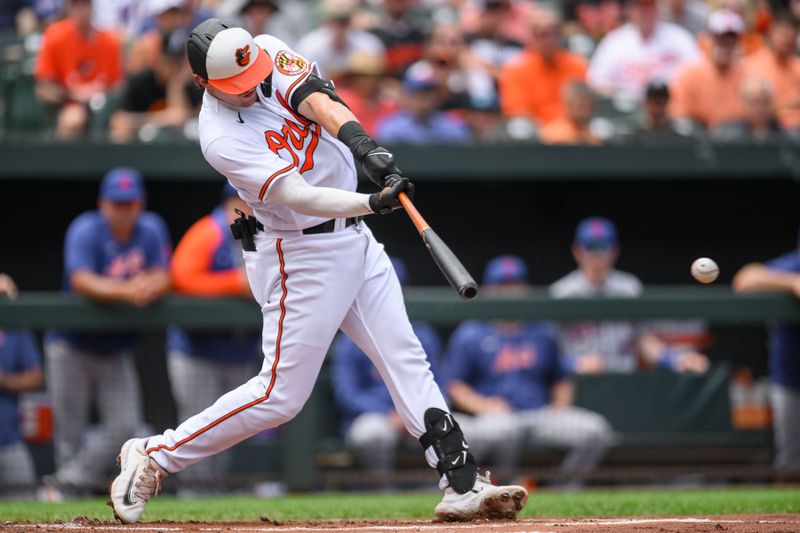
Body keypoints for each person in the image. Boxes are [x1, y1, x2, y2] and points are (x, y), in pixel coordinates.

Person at [108, 18, 527, 524]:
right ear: (203, 84)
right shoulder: (218, 136)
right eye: (236, 87)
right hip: (297, 253)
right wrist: (373, 200)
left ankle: (462, 482)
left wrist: (366, 147)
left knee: (405, 357)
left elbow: (319, 101)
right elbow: (299, 196)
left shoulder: (263, 51)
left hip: (354, 240)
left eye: (253, 77)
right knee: (279, 396)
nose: (250, 88)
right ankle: (153, 455)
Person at [42, 167, 171, 499]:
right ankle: (64, 503)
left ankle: (63, 485)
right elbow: (81, 280)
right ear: (103, 204)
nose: (123, 209)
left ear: (139, 204)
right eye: (116, 203)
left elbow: (163, 273)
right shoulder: (86, 228)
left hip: (116, 348)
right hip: (72, 344)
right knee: (70, 433)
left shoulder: (151, 229)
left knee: (126, 427)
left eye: (128, 203)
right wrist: (129, 290)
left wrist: (151, 286)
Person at [445, 255, 614, 486]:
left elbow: (560, 377)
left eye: (515, 284)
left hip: (539, 414)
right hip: (496, 416)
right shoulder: (471, 332)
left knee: (596, 431)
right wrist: (483, 406)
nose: (509, 291)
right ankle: (503, 490)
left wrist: (560, 408)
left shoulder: (542, 330)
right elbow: (455, 385)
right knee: (504, 430)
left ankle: (564, 492)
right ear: (489, 290)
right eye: (502, 285)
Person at [166, 183, 262, 495]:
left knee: (228, 430)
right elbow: (181, 278)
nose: (249, 205)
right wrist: (234, 283)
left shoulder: (262, 231)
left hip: (239, 351)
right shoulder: (210, 231)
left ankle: (214, 497)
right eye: (243, 199)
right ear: (230, 201)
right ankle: (193, 495)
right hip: (198, 352)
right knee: (198, 427)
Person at [331, 257, 442, 486]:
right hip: (373, 417)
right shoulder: (350, 339)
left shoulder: (422, 333)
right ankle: (382, 491)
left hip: (416, 415)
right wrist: (388, 414)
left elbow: (439, 384)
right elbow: (347, 393)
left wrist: (411, 414)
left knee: (451, 429)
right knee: (373, 433)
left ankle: (434, 489)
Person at [550, 217, 710, 374]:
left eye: (602, 247)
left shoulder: (629, 287)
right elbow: (546, 349)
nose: (596, 255)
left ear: (615, 251)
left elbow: (642, 339)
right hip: (578, 383)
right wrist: (572, 364)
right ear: (576, 251)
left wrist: (675, 359)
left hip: (623, 381)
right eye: (590, 247)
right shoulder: (561, 292)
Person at [733, 231, 800, 483]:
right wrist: (793, 282)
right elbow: (745, 279)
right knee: (791, 469)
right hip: (791, 379)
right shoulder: (792, 266)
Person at [34, 0, 123, 139]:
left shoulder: (110, 41)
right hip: (67, 104)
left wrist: (98, 93)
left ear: (92, 7)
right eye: (75, 5)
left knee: (122, 125)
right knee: (73, 120)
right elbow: (43, 88)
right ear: (68, 8)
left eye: (85, 4)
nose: (81, 10)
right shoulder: (54, 36)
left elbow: (118, 86)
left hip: (103, 106)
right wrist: (72, 95)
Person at [587, 0, 699, 104]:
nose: (646, 13)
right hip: (628, 111)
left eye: (650, 7)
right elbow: (596, 81)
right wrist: (622, 94)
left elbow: (697, 72)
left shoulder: (679, 37)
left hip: (671, 104)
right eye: (641, 8)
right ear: (629, 11)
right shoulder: (615, 41)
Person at [499, 7, 588, 130]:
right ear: (531, 35)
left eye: (554, 33)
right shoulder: (515, 69)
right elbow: (517, 111)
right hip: (536, 138)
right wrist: (550, 130)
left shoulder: (576, 64)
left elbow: (584, 105)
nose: (550, 40)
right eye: (543, 34)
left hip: (574, 132)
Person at [110, 29, 202, 143]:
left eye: (178, 63)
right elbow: (119, 121)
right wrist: (161, 119)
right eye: (170, 62)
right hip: (140, 146)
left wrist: (176, 87)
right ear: (159, 60)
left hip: (175, 149)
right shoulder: (141, 81)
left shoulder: (189, 83)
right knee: (124, 133)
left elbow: (183, 118)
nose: (174, 68)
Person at [0, 273, 43, 500]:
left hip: (9, 440)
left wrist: (5, 380)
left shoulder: (14, 327)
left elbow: (36, 377)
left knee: (28, 504)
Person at [669, 9, 747, 131]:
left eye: (730, 40)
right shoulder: (689, 73)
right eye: (720, 40)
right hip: (697, 139)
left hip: (735, 141)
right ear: (708, 39)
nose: (725, 46)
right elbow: (678, 114)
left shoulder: (748, 73)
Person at [375, 60, 472, 144]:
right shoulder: (393, 128)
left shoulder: (452, 126)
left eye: (430, 92)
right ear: (407, 95)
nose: (426, 98)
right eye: (419, 92)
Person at [295, 0, 385, 82]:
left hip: (357, 96)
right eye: (335, 20)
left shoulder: (368, 44)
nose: (339, 26)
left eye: (344, 21)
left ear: (351, 20)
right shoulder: (309, 46)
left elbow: (377, 79)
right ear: (326, 20)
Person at [742, 11, 800, 129]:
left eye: (791, 37)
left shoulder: (797, 66)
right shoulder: (752, 64)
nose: (787, 41)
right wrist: (789, 103)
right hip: (767, 129)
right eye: (783, 35)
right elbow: (755, 107)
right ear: (772, 33)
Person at [713, 77, 798, 143]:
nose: (759, 108)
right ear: (743, 103)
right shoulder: (726, 135)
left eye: (764, 102)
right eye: (753, 103)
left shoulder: (786, 137)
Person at [611, 80, 694, 143]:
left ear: (667, 103)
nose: (657, 107)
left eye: (661, 102)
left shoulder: (676, 134)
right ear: (646, 102)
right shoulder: (632, 134)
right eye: (654, 101)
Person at [538, 81, 600, 145]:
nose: (584, 111)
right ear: (568, 104)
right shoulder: (553, 133)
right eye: (580, 106)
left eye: (588, 106)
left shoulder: (594, 133)